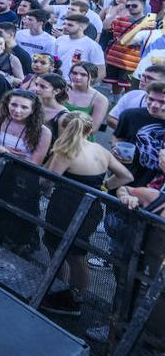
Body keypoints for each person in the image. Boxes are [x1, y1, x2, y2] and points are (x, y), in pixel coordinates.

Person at [40, 112, 134, 316]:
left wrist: (43, 188)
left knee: (60, 247)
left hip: (66, 204)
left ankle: (68, 294)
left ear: (63, 127)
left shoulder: (65, 151)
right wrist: (102, 186)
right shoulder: (100, 150)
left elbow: (48, 180)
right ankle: (71, 293)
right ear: (90, 130)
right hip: (92, 206)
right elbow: (126, 176)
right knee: (77, 252)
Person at [0, 89, 52, 252]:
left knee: (20, 217)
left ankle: (20, 248)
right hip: (0, 172)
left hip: (25, 180)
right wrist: (1, 149)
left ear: (33, 110)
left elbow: (35, 162)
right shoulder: (1, 119)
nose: (17, 110)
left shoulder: (43, 131)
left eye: (24, 107)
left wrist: (7, 152)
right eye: (13, 105)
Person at [112, 81, 165, 187]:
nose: (154, 105)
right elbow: (118, 137)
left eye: (162, 102)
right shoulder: (130, 115)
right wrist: (116, 149)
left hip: (157, 185)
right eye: (151, 99)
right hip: (126, 177)